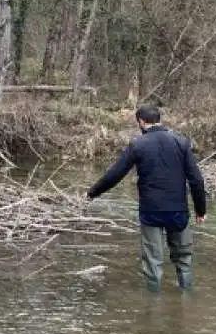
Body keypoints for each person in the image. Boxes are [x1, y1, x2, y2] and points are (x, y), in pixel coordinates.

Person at [86, 104, 206, 292]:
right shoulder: (181, 142)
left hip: (151, 211)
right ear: (159, 119)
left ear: (141, 122)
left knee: (153, 261)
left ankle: (153, 308)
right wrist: (201, 210)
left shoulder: (138, 144)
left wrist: (93, 192)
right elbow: (196, 180)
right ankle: (186, 299)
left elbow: (115, 174)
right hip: (178, 210)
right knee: (184, 258)